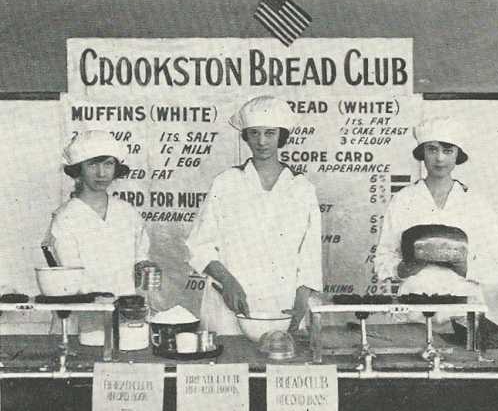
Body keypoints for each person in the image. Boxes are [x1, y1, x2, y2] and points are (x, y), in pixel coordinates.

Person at [186, 95, 323, 335]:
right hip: (230, 303)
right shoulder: (226, 183)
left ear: (281, 136)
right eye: (254, 133)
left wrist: (302, 300)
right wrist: (227, 282)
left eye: (269, 133)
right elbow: (200, 244)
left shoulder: (302, 188)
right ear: (245, 136)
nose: (261, 142)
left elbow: (310, 252)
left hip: (284, 303)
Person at [374, 116, 498, 322]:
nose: (440, 159)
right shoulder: (402, 200)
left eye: (448, 151)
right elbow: (382, 258)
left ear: (457, 156)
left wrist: (465, 267)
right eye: (432, 149)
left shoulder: (477, 203)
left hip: (463, 311)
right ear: (422, 154)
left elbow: (497, 266)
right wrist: (402, 268)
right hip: (413, 310)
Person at [43, 130, 157, 343]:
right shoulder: (65, 217)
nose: (101, 173)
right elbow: (71, 277)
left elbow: (139, 257)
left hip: (125, 315)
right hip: (82, 317)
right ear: (78, 170)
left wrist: (144, 266)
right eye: (92, 165)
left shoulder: (127, 212)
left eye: (108, 164)